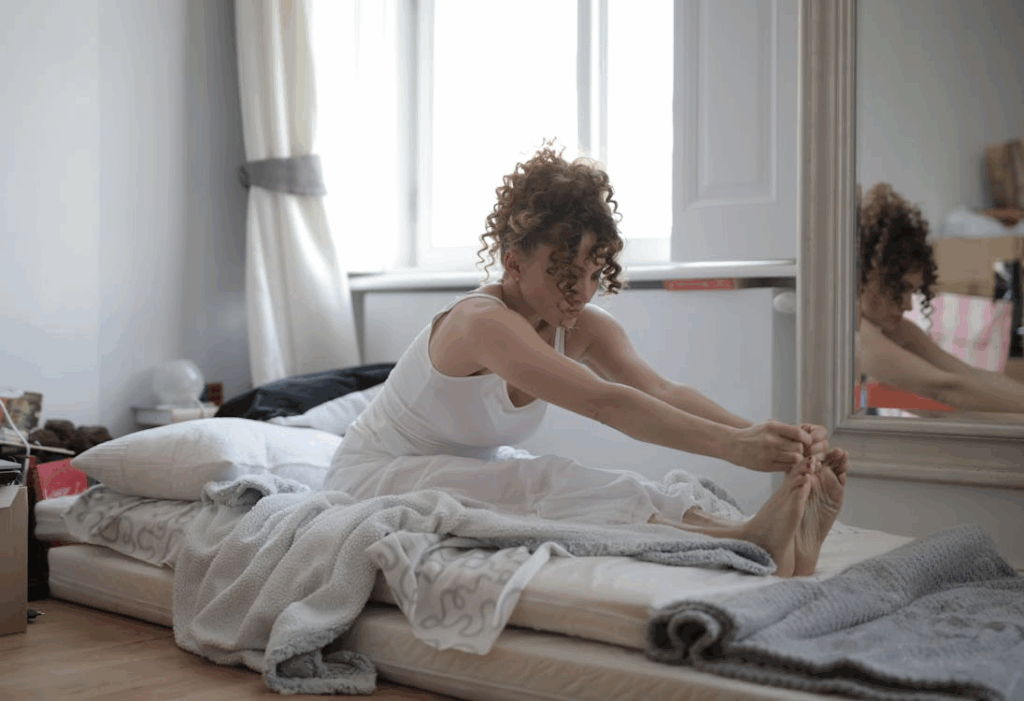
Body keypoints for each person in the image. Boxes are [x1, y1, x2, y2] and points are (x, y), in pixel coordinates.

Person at [325, 144, 849, 577]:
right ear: (512, 262)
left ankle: (763, 538)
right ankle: (744, 538)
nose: (580, 292)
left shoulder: (581, 325)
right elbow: (604, 404)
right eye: (563, 273)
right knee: (544, 480)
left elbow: (660, 393)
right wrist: (735, 448)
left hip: (453, 470)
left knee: (579, 482)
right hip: (372, 478)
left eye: (593, 274)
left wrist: (768, 437)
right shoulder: (478, 323)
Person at [856, 183, 1024, 413]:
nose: (907, 305)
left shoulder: (899, 330)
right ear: (869, 279)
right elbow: (945, 387)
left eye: (911, 292)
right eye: (900, 290)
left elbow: (968, 375)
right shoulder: (856, 335)